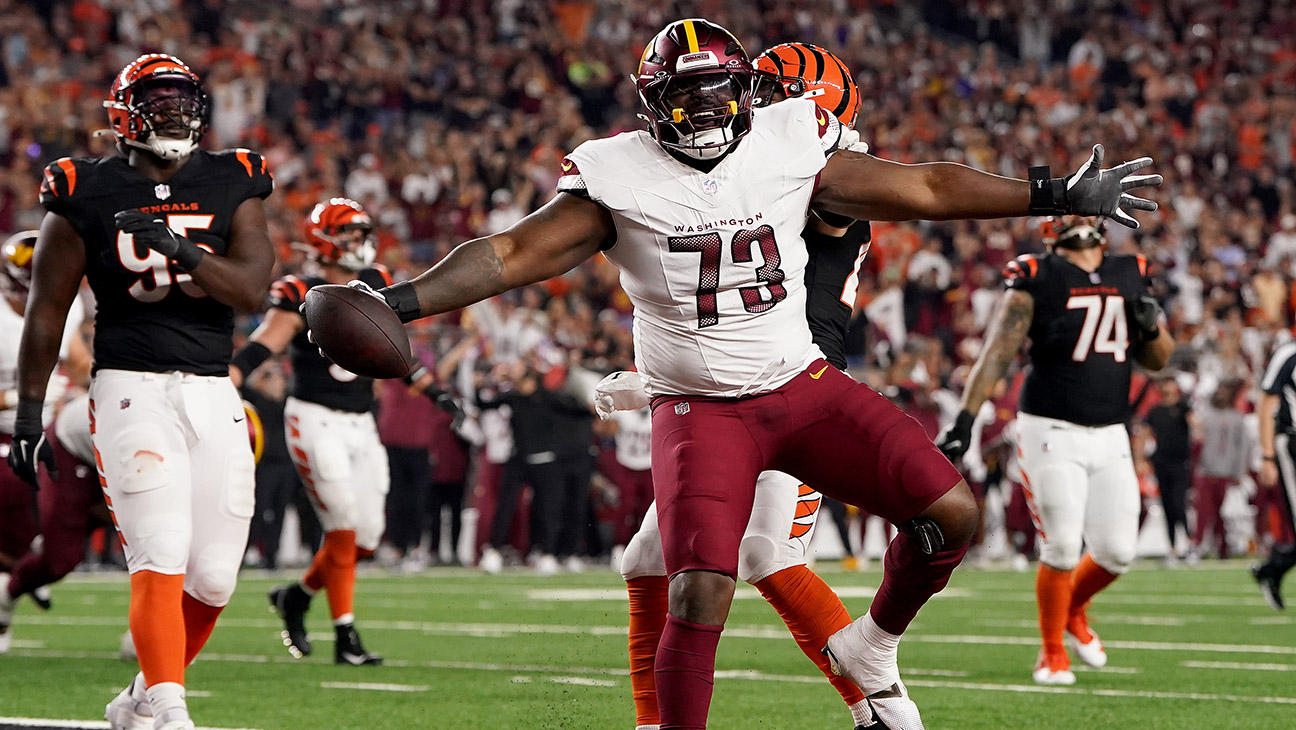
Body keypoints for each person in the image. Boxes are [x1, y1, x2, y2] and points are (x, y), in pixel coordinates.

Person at [308, 19, 1159, 729]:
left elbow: (929, 187)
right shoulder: (619, 172)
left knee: (950, 513)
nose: (704, 109)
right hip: (702, 408)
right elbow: (510, 254)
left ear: (748, 94)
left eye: (717, 92)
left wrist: (1055, 194)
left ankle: (871, 646)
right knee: (703, 587)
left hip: (800, 383)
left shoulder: (792, 140)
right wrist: (397, 298)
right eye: (683, 96)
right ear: (651, 108)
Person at [602, 42, 884, 730]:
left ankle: (881, 707)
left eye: (767, 91)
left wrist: (653, 382)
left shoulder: (821, 178)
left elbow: (750, 308)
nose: (747, 103)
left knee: (765, 553)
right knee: (645, 558)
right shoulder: (773, 171)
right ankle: (652, 722)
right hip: (733, 394)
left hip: (793, 390)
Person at [6, 54, 274, 730]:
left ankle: (136, 700)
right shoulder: (81, 186)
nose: (175, 112)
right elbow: (46, 309)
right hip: (130, 387)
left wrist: (180, 250)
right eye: (159, 99)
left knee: (213, 579)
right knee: (161, 549)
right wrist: (31, 413)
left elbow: (249, 291)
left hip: (215, 390)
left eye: (183, 100)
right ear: (125, 110)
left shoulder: (231, 177)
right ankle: (171, 713)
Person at [938, 220, 1174, 685]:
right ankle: (1051, 655)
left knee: (1116, 552)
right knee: (1063, 543)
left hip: (1111, 431)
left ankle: (1074, 608)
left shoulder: (1131, 271)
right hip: (1050, 427)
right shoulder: (1036, 275)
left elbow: (1159, 358)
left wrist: (1150, 327)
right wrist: (965, 420)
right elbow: (998, 351)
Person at [229, 198, 396, 665]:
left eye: (362, 232)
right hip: (314, 417)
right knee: (342, 528)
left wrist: (429, 388)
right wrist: (230, 377)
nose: (360, 243)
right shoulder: (301, 288)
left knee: (367, 537)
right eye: (349, 234)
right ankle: (346, 637)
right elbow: (266, 342)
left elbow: (394, 345)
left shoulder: (379, 282)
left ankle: (297, 597)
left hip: (362, 421)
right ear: (323, 241)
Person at [1254, 343, 1296, 610]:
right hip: (1292, 443)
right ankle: (1272, 570)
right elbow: (1267, 402)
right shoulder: (1288, 354)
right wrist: (1268, 455)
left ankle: (1272, 569)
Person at [1144, 376, 1193, 562]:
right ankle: (1172, 547)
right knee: (1168, 506)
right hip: (1162, 462)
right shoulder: (1155, 411)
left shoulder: (1182, 407)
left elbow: (1196, 426)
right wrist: (1142, 457)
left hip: (1180, 462)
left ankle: (1189, 544)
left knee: (1179, 504)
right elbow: (1146, 433)